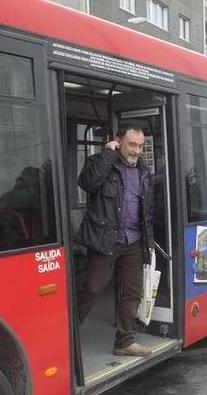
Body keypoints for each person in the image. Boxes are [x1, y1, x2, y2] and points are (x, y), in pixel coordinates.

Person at [76, 123, 154, 357]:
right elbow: (87, 183)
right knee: (91, 288)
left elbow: (146, 208)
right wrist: (108, 154)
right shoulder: (102, 163)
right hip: (106, 239)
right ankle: (67, 336)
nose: (137, 151)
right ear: (118, 142)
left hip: (134, 240)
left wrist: (148, 239)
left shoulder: (143, 170)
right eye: (132, 145)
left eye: (141, 146)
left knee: (131, 292)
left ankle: (124, 341)